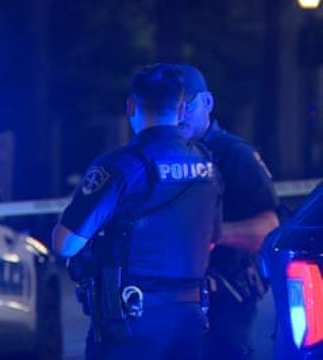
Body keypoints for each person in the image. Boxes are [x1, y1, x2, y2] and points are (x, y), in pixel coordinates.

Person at [52, 63, 223, 360]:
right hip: (190, 317)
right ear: (181, 110)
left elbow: (66, 244)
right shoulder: (207, 164)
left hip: (130, 320)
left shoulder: (120, 166)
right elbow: (213, 237)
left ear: (131, 106)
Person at [176, 64, 280, 360]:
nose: (179, 114)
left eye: (187, 104)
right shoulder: (160, 154)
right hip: (170, 301)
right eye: (173, 105)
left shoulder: (235, 155)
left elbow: (269, 228)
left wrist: (212, 234)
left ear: (207, 103)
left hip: (225, 298)